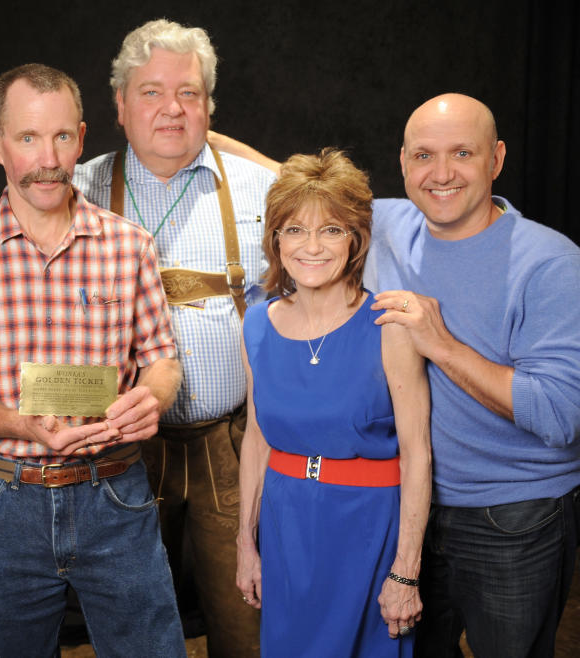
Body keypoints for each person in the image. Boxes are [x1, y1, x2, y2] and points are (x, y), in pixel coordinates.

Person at [0, 63, 186, 656]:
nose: (47, 157)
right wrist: (19, 425)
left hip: (115, 493)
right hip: (6, 504)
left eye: (61, 136)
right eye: (28, 137)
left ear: (81, 138)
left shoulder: (128, 245)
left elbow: (162, 362)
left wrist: (152, 398)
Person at [71, 18, 276, 654]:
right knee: (130, 624)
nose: (171, 109)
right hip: (124, 448)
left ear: (209, 108)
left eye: (188, 93)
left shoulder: (262, 190)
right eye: (151, 92)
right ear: (119, 104)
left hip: (234, 444)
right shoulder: (77, 191)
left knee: (248, 617)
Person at [365, 93, 580, 657]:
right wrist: (198, 135)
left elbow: (560, 416)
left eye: (462, 153)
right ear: (403, 161)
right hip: (412, 511)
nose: (440, 174)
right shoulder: (391, 224)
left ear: (497, 159)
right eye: (423, 156)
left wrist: (440, 345)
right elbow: (297, 184)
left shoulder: (551, 263)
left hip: (515, 519)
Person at [238, 148, 431, 656]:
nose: (312, 247)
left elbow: (416, 454)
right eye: (295, 230)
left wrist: (406, 571)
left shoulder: (389, 325)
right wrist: (244, 543)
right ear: (275, 238)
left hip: (367, 529)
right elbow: (257, 440)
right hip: (287, 528)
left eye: (331, 230)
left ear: (355, 238)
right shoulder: (256, 324)